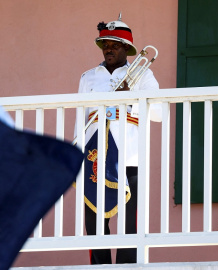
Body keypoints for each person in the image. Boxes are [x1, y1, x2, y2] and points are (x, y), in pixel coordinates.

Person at [75, 15, 161, 264]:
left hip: (129, 156)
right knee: (94, 221)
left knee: (129, 221)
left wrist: (131, 96)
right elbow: (80, 120)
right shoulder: (88, 77)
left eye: (115, 45)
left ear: (127, 49)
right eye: (105, 45)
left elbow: (159, 114)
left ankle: (127, 267)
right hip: (94, 158)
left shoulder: (143, 76)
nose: (109, 49)